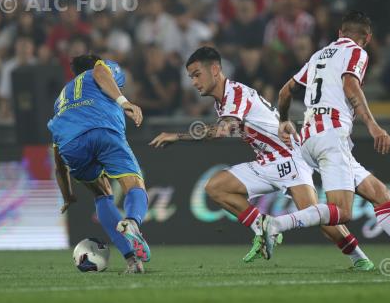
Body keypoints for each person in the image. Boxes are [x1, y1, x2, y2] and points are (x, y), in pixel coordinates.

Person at [149, 47, 374, 270]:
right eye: (190, 77)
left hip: (290, 157)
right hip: (268, 160)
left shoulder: (235, 94)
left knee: (319, 218)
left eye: (197, 75)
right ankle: (263, 227)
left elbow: (221, 132)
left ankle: (359, 257)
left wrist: (177, 136)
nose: (194, 82)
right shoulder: (223, 100)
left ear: (215, 69)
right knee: (216, 187)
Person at [273, 11, 390, 274]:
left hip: (309, 136)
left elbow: (284, 91)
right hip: (332, 135)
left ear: (339, 33)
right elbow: (350, 85)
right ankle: (276, 225)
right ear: (367, 38)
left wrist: (283, 120)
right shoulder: (357, 52)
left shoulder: (317, 56)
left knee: (381, 195)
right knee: (342, 212)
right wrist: (373, 126)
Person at [47, 54, 149, 274]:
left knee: (102, 195)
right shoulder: (100, 69)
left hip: (70, 146)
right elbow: (101, 71)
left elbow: (57, 160)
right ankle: (132, 222)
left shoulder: (62, 98)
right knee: (134, 185)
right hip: (103, 130)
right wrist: (125, 102)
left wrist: (68, 195)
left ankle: (132, 261)